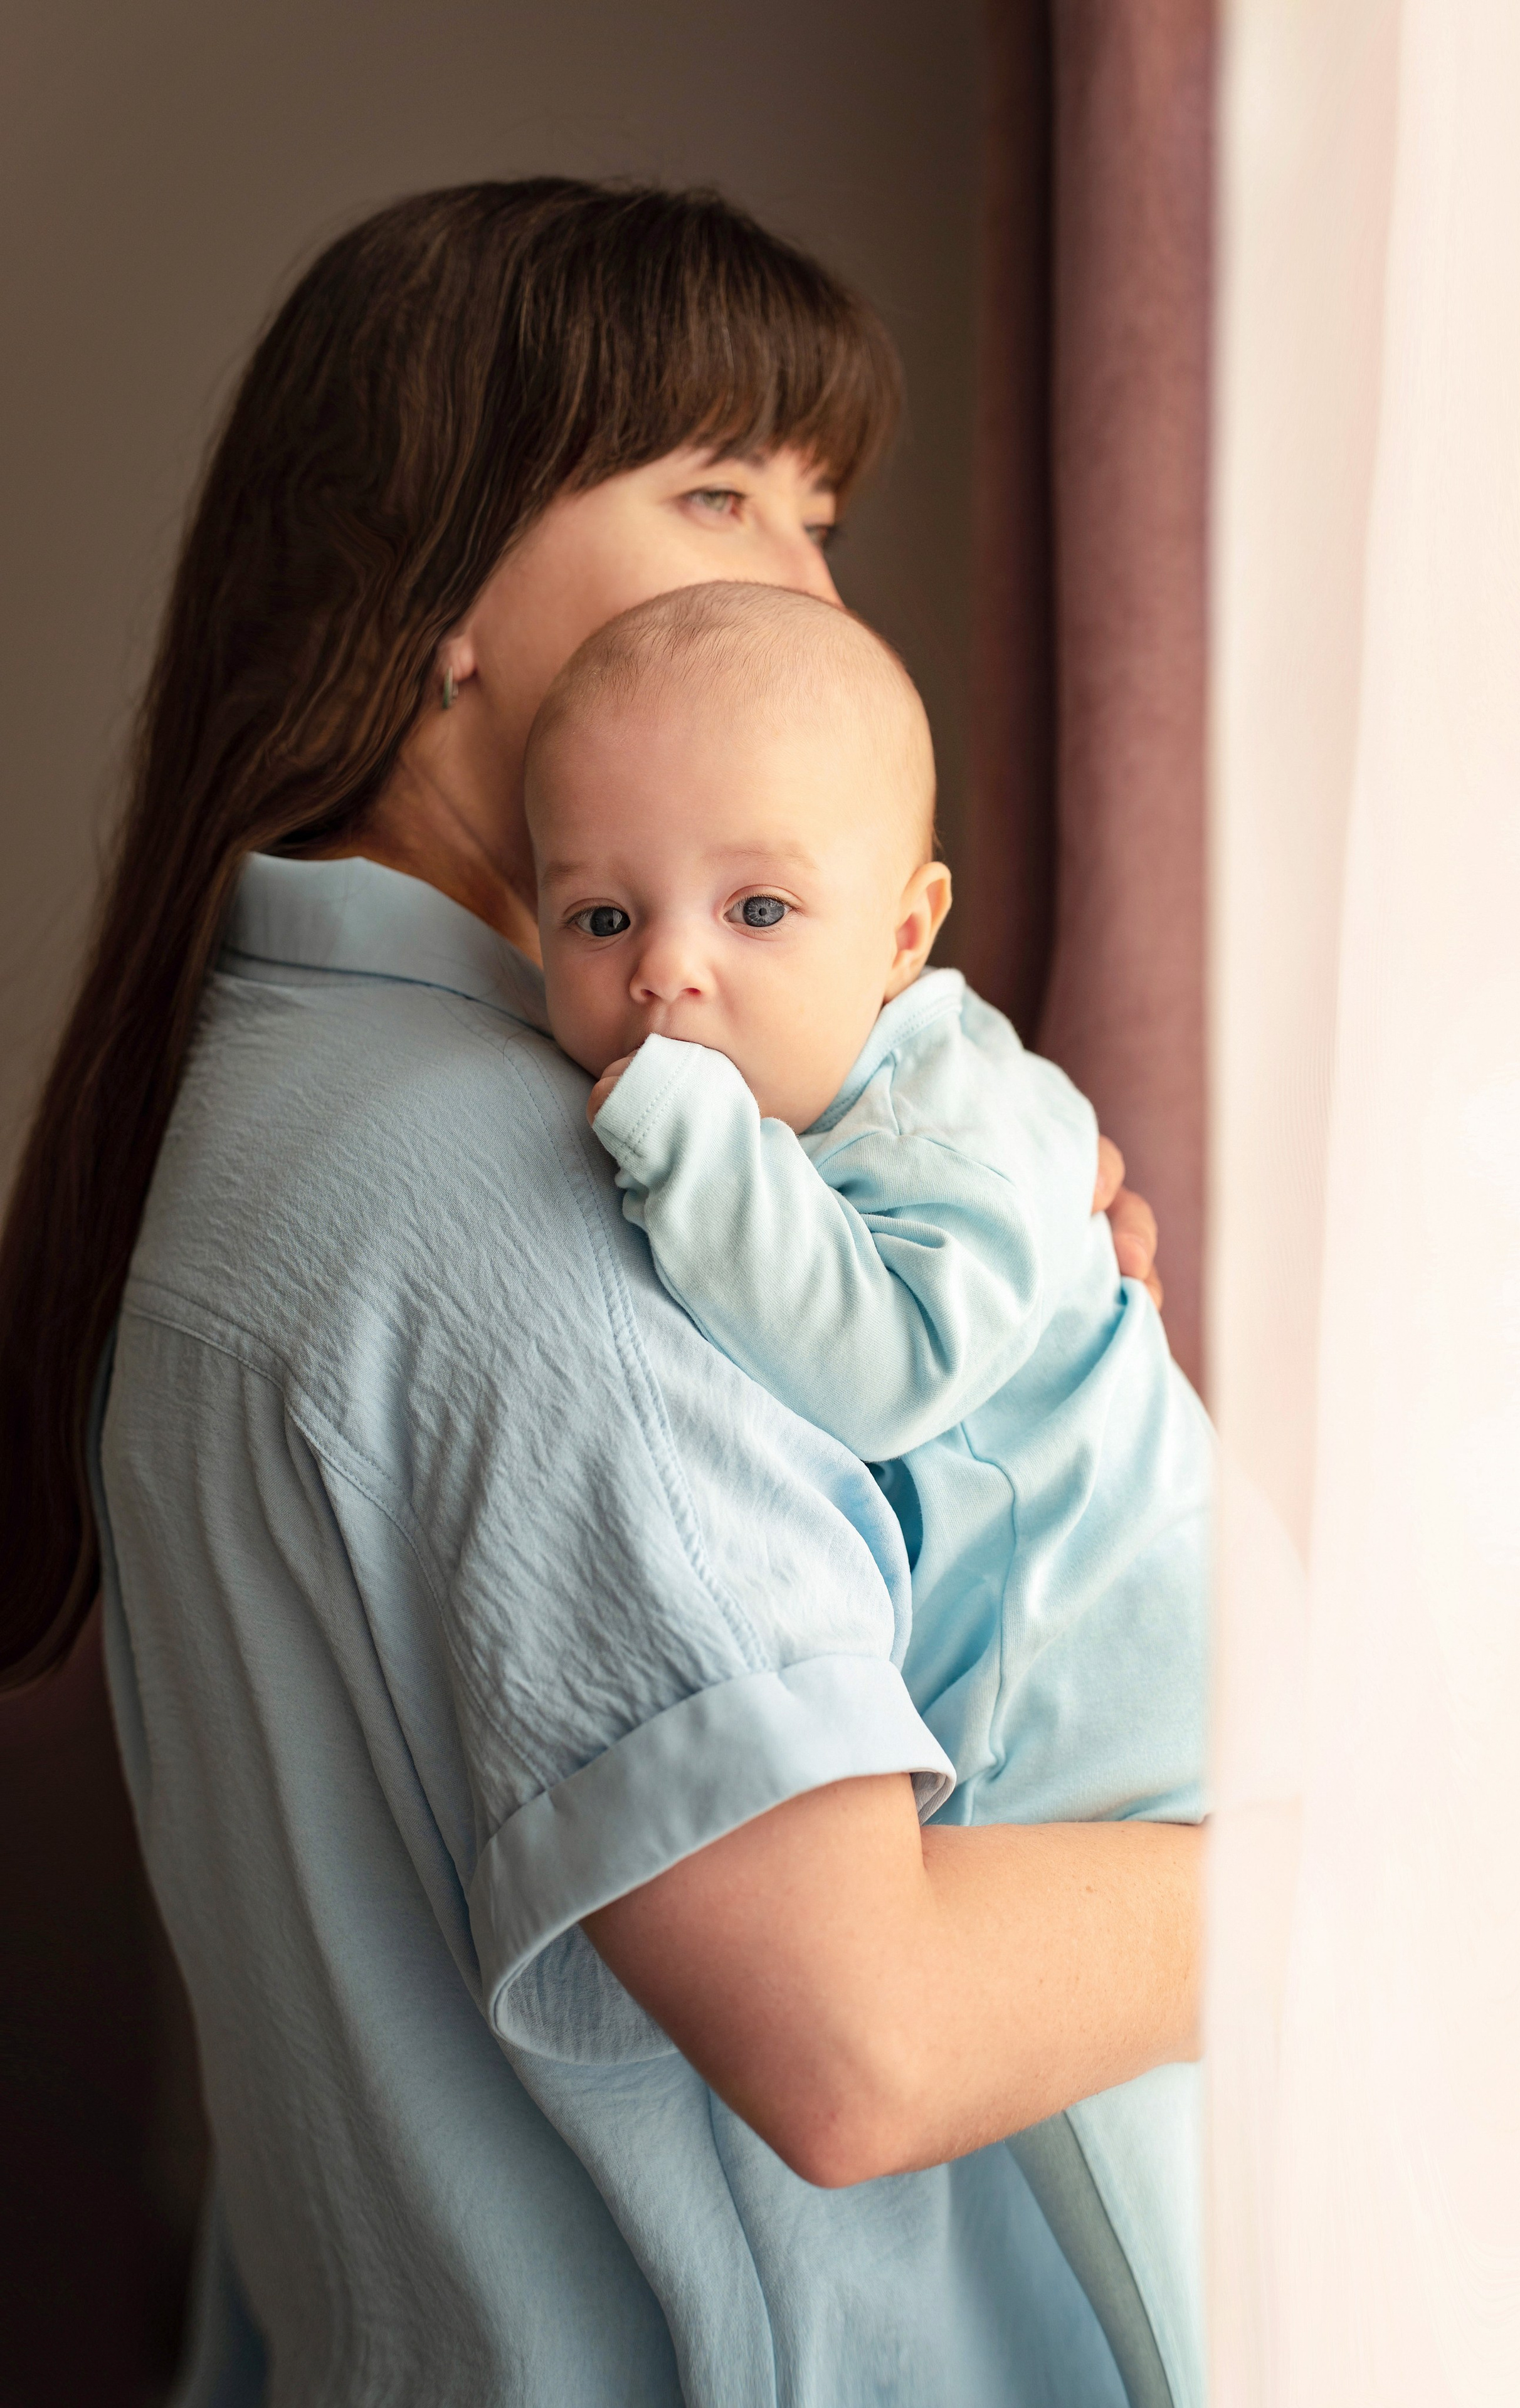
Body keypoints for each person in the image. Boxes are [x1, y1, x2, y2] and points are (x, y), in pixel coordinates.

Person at [0, 180, 1198, 2407]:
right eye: (720, 490)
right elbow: (867, 2034)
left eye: (823, 512)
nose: (809, 595)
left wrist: (970, 1325)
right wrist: (1391, 1848)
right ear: (438, 584)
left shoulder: (264, 1112)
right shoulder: (537, 1199)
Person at [532, 577, 1210, 2402]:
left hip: (1132, 1716)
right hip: (1062, 1709)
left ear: (904, 932)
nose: (671, 970)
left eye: (756, 909)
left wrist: (673, 1126)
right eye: (602, 914)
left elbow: (883, 1363)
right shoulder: (824, 1094)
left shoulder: (950, 1122)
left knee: (1185, 2264)